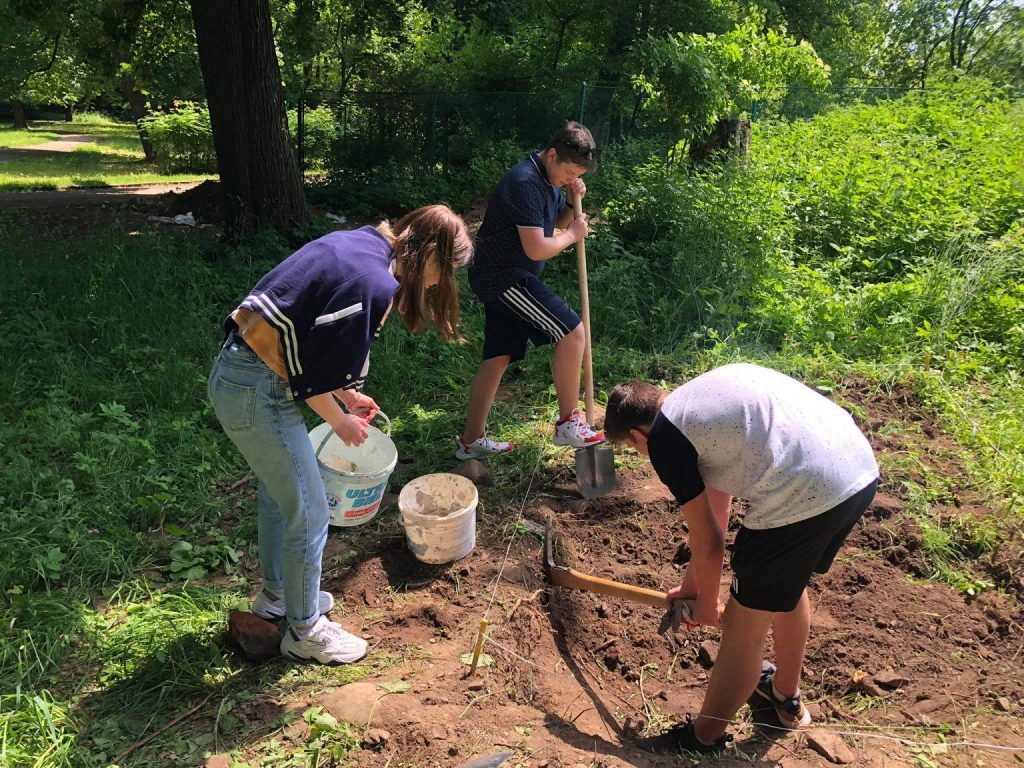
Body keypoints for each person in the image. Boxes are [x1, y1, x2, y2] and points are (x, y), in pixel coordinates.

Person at [208, 205, 472, 665]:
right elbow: (310, 383)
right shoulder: (374, 283)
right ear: (429, 252)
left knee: (280, 498)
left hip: (242, 371)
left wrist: (347, 397)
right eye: (443, 272)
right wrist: (340, 420)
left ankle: (279, 597)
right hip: (258, 389)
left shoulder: (364, 243)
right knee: (310, 512)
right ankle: (306, 632)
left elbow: (309, 340)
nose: (436, 284)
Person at [604, 363, 879, 754]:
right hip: (855, 471)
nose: (643, 454)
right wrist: (692, 587)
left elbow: (710, 543)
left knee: (743, 627)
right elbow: (716, 515)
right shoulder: (698, 406)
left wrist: (706, 604)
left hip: (806, 490)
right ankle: (784, 697)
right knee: (784, 586)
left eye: (635, 448)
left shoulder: (665, 438)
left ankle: (703, 738)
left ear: (636, 434)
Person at [455, 121, 605, 460]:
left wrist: (572, 203)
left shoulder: (547, 179)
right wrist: (573, 235)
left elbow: (553, 224)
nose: (569, 178)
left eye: (576, 175)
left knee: (498, 356)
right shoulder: (525, 182)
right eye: (568, 172)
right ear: (551, 154)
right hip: (503, 277)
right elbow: (537, 248)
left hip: (504, 274)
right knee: (573, 332)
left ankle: (470, 441)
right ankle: (568, 423)